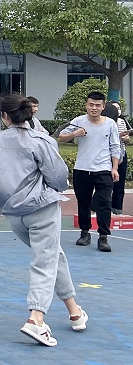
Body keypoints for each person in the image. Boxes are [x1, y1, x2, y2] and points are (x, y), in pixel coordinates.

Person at [0, 93, 89, 347]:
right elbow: (58, 176)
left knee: (54, 256)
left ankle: (75, 311)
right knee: (45, 262)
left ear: (4, 116)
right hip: (41, 208)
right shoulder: (41, 140)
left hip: (13, 212)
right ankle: (36, 319)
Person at [58, 91, 121, 252]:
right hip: (82, 169)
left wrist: (114, 168)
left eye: (98, 105)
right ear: (86, 105)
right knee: (83, 202)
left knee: (104, 203)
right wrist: (75, 134)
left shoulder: (110, 124)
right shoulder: (78, 121)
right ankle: (84, 233)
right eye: (91, 104)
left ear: (103, 107)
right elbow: (61, 137)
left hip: (104, 169)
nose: (94, 108)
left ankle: (103, 236)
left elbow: (115, 146)